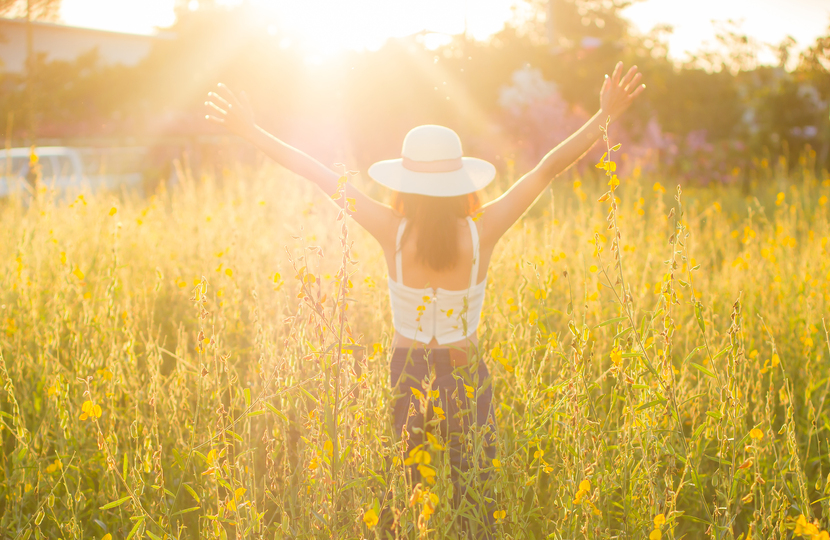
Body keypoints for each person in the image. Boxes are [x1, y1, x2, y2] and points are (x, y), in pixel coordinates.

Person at [204, 61, 644, 537]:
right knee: (475, 500)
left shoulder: (389, 229)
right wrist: (603, 116)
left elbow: (317, 173)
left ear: (405, 183)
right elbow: (546, 168)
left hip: (407, 373)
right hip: (464, 373)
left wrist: (251, 131)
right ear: (461, 181)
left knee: (405, 498)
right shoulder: (482, 231)